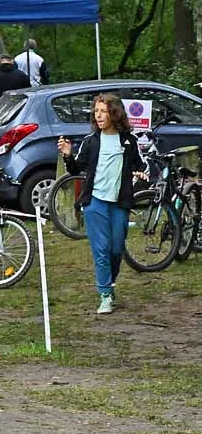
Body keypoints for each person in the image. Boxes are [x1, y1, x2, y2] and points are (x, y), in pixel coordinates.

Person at [58, 93, 147, 314]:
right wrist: (68, 155)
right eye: (96, 111)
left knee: (116, 249)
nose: (98, 116)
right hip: (95, 202)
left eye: (103, 111)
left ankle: (110, 283)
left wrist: (141, 173)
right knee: (101, 249)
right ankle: (105, 294)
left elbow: (141, 165)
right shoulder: (91, 141)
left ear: (114, 114)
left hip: (119, 203)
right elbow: (76, 169)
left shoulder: (129, 141)